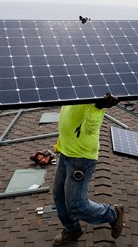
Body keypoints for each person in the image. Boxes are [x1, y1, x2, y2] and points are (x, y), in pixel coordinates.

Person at [52, 93, 124, 245]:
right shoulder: (73, 84)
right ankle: (72, 229)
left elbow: (91, 128)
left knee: (76, 205)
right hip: (66, 150)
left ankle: (112, 214)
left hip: (81, 157)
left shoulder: (94, 89)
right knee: (59, 195)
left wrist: (99, 107)